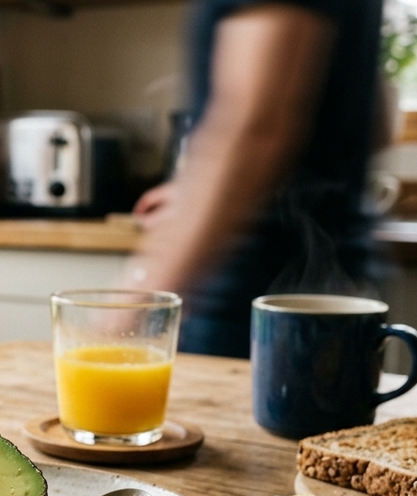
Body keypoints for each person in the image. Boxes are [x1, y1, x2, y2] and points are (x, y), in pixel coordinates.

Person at [125, 0, 385, 358]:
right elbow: (379, 122)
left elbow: (258, 128)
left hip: (250, 290)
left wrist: (141, 299)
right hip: (337, 276)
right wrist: (194, 194)